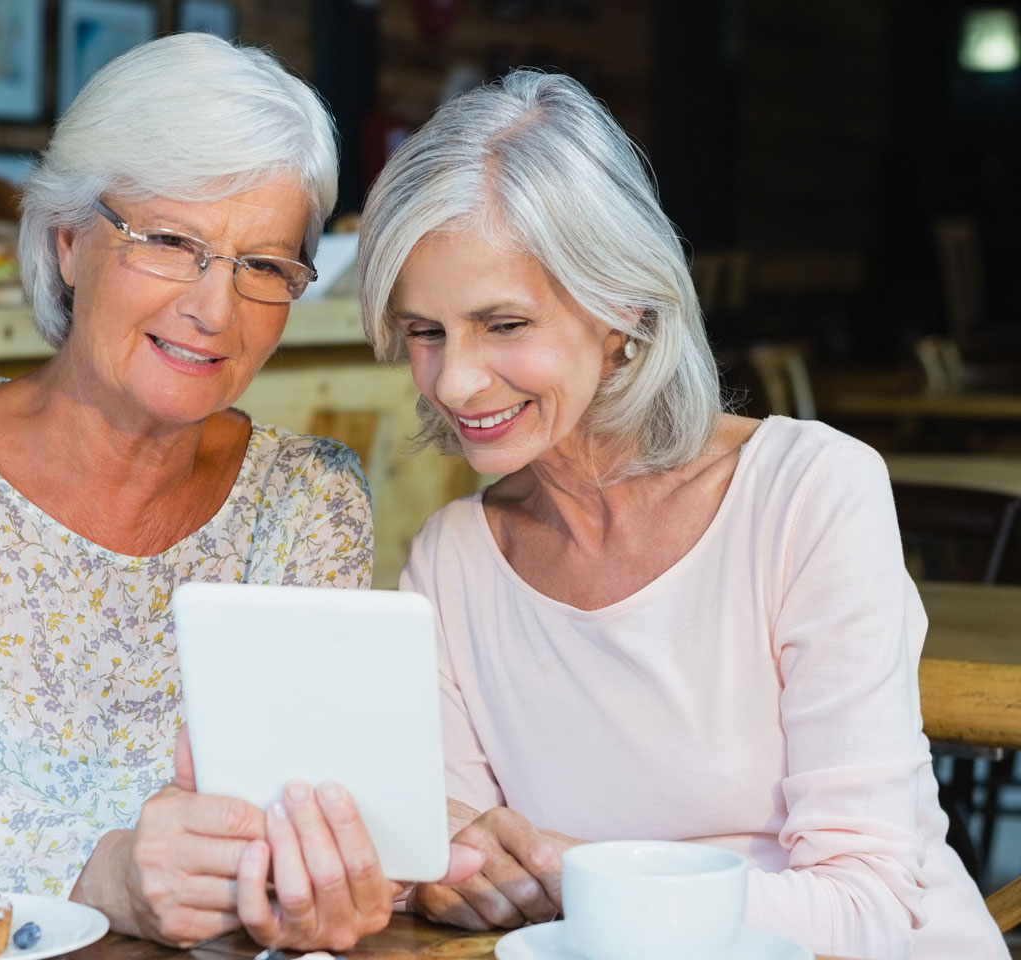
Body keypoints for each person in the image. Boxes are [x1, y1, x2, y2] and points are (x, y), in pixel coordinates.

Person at [0, 33, 474, 951]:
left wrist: (323, 877)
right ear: (68, 242)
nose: (214, 310)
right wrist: (98, 868)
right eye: (170, 243)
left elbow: (313, 799)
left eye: (264, 265)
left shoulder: (306, 498)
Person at [357, 70, 1007, 959]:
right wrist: (449, 871)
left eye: (503, 325)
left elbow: (867, 912)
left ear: (621, 306)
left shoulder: (810, 493)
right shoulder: (451, 561)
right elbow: (466, 867)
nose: (455, 381)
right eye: (425, 332)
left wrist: (577, 876)